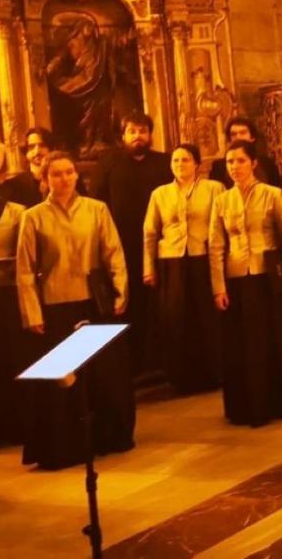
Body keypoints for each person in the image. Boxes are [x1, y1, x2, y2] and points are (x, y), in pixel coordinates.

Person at [17, 151, 136, 469]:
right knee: (64, 380)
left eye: (69, 172)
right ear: (45, 179)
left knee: (103, 375)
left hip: (94, 302)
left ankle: (108, 437)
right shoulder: (34, 217)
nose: (65, 178)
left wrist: (121, 289)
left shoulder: (97, 210)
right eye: (56, 174)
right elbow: (26, 271)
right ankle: (65, 446)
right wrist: (32, 313)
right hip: (56, 305)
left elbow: (113, 252)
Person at [209, 140, 282, 427]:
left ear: (253, 163)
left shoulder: (272, 194)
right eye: (230, 162)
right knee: (244, 345)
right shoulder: (221, 200)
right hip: (237, 277)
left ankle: (281, 400)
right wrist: (218, 287)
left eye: (240, 161)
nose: (235, 167)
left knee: (273, 339)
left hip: (269, 277)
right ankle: (248, 405)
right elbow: (216, 247)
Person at [91, 112, 173, 371]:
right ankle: (133, 363)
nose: (138, 136)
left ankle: (160, 361)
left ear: (150, 134)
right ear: (123, 135)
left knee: (159, 303)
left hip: (159, 246)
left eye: (143, 131)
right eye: (132, 131)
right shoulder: (108, 163)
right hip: (121, 245)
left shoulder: (164, 162)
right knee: (127, 303)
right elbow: (97, 203)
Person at [142, 144, 225, 393]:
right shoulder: (160, 194)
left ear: (197, 163)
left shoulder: (213, 188)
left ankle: (213, 372)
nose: (180, 165)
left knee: (205, 315)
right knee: (177, 317)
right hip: (171, 260)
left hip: (202, 256)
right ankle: (180, 377)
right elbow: (149, 232)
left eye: (186, 160)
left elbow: (221, 223)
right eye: (176, 161)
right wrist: (148, 267)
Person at [0, 140, 29, 446]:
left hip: (6, 295)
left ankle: (15, 426)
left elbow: (26, 255)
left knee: (9, 360)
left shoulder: (16, 209)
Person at [8, 126, 87, 206]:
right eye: (31, 147)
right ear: (26, 151)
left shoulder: (70, 177)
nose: (37, 151)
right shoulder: (15, 185)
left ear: (51, 148)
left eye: (42, 146)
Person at [209, 117, 282, 190]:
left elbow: (278, 190)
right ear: (229, 140)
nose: (238, 137)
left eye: (243, 133)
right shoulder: (218, 167)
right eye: (233, 134)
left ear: (252, 138)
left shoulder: (268, 164)